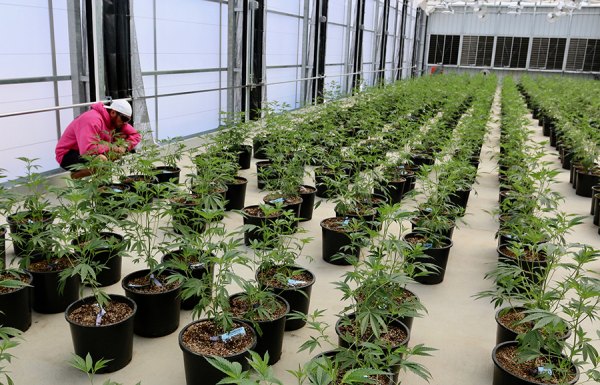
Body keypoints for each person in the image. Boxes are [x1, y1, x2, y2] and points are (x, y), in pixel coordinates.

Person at [55, 99, 141, 178]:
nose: (125, 123)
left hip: (88, 150)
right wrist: (112, 147)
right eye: (124, 119)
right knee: (102, 160)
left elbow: (136, 135)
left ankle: (102, 184)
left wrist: (124, 146)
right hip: (68, 154)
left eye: (127, 120)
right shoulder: (92, 119)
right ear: (113, 113)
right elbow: (88, 149)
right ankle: (76, 176)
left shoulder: (117, 121)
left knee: (114, 154)